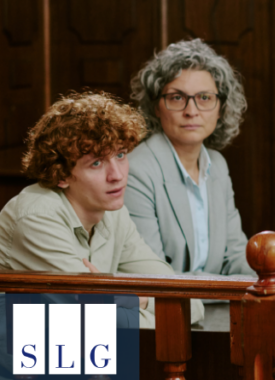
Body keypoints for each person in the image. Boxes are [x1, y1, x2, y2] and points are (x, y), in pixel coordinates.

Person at [0, 92, 204, 328]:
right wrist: (133, 301)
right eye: (96, 163)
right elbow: (99, 324)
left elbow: (191, 304)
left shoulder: (114, 214)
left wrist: (135, 299)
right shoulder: (36, 216)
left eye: (120, 155)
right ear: (61, 174)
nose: (117, 176)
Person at [125, 39, 275, 280]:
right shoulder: (136, 170)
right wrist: (251, 283)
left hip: (212, 310)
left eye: (204, 97)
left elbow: (234, 255)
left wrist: (274, 277)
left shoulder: (216, 164)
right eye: (177, 97)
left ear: (220, 107)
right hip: (157, 314)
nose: (191, 110)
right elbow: (155, 278)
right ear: (156, 106)